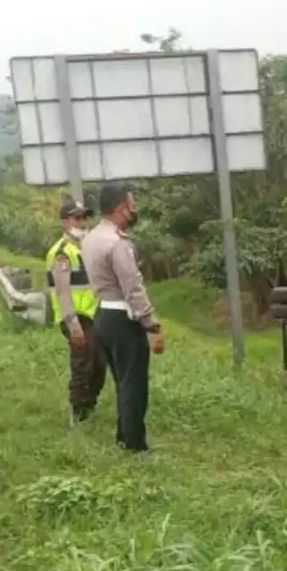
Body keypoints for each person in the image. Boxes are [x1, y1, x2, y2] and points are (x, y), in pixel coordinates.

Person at [81, 182, 165, 452]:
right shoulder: (118, 244)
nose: (134, 211)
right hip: (123, 319)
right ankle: (134, 444)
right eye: (131, 206)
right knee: (133, 385)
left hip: (102, 315)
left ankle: (123, 435)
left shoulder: (91, 238)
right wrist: (152, 325)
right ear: (120, 209)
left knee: (122, 381)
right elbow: (133, 288)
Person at [46, 198, 107, 424]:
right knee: (84, 363)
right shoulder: (62, 252)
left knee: (100, 363)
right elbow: (63, 292)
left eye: (84, 217)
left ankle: (89, 406)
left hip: (93, 314)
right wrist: (73, 326)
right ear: (65, 222)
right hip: (75, 316)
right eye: (77, 218)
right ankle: (79, 412)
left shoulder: (85, 249)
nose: (82, 223)